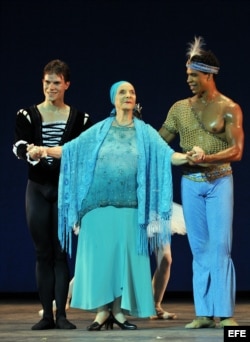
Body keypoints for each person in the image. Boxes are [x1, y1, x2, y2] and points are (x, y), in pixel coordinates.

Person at [35, 81, 198, 331]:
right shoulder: (100, 130)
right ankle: (102, 312)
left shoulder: (144, 132)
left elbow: (166, 154)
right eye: (123, 92)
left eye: (132, 92)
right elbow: (71, 150)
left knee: (125, 259)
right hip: (98, 205)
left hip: (131, 206)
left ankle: (119, 313)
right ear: (113, 99)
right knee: (102, 259)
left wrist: (186, 156)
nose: (128, 95)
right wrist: (44, 150)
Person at [159, 36, 244, 328]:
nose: (189, 80)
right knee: (199, 248)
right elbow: (159, 143)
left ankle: (226, 314)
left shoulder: (229, 107)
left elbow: (237, 150)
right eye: (187, 75)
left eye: (194, 75)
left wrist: (207, 158)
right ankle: (204, 314)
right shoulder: (179, 108)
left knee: (220, 246)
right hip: (191, 183)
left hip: (220, 181)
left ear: (209, 75)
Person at [13, 59, 92, 330]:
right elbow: (18, 145)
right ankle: (47, 315)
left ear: (66, 84)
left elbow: (83, 153)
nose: (51, 87)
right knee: (41, 252)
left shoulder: (80, 119)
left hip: (63, 190)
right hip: (37, 189)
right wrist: (30, 151)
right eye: (47, 82)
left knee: (60, 253)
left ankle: (61, 316)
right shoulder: (27, 114)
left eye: (56, 83)